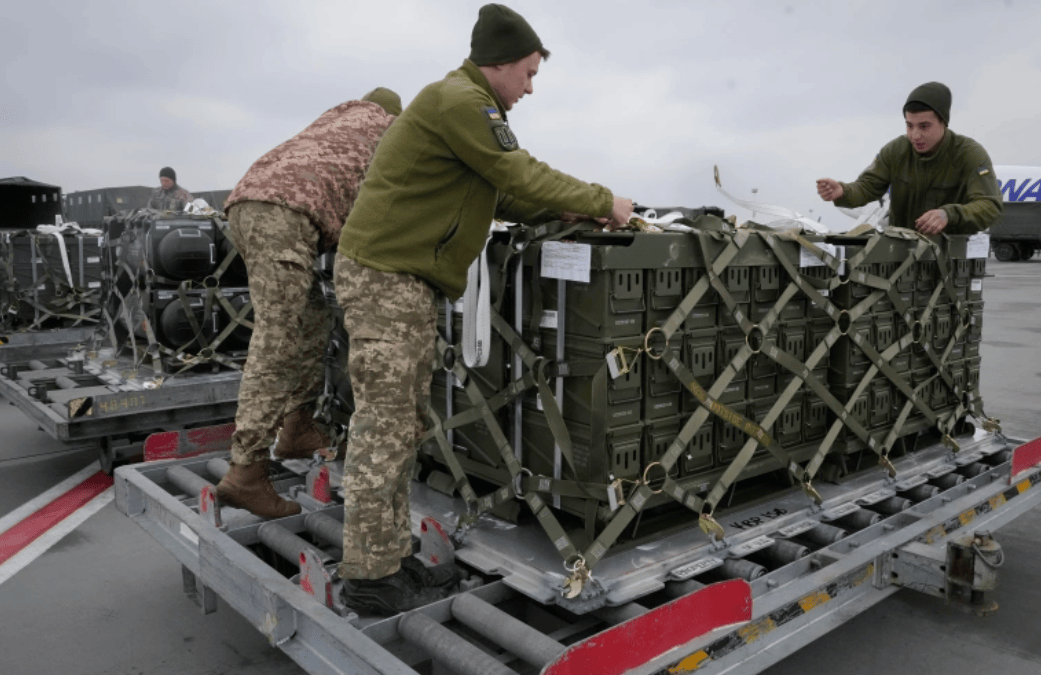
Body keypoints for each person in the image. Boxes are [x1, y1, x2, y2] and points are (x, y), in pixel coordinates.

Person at [333, 3, 635, 615]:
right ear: (497, 64)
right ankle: (368, 575)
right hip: (387, 279)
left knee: (404, 425)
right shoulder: (460, 101)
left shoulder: (468, 108)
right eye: (527, 73)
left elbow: (505, 195)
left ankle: (389, 558)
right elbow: (518, 172)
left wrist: (577, 213)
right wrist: (606, 198)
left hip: (405, 283)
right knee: (385, 430)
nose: (530, 87)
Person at [215, 88, 403, 519]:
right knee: (277, 338)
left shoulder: (337, 119)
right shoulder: (388, 130)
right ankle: (245, 472)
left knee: (312, 317)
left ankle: (298, 426)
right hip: (284, 213)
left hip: (249, 202)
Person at [816, 82, 1002, 235]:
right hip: (901, 256)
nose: (915, 135)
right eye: (909, 126)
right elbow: (867, 187)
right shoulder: (896, 150)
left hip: (950, 256)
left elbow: (989, 206)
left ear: (943, 122)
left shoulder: (969, 154)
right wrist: (843, 192)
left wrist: (948, 215)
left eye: (924, 126)